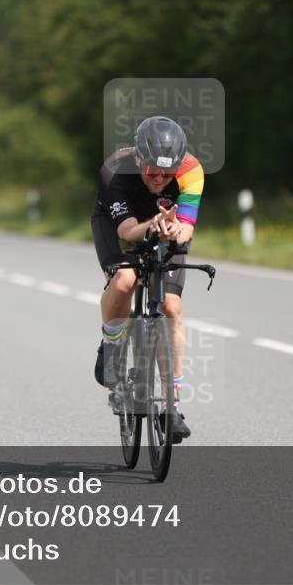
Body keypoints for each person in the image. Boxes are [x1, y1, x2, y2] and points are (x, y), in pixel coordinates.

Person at [90, 116, 204, 443]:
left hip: (163, 225)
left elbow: (187, 228)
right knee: (125, 280)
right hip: (120, 223)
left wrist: (173, 229)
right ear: (139, 158)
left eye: (168, 173)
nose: (159, 178)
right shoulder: (116, 171)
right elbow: (127, 232)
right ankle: (112, 343)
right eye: (153, 169)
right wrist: (152, 224)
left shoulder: (191, 171)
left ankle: (172, 406)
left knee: (171, 308)